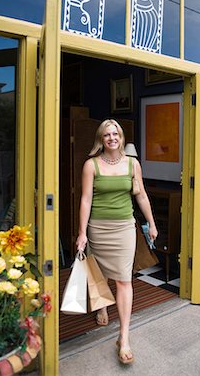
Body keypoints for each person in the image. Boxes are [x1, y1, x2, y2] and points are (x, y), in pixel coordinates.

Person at [76, 119, 158, 365]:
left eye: (116, 134)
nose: (112, 138)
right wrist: (82, 232)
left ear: (121, 138)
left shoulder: (132, 164)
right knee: (100, 275)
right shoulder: (91, 165)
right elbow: (86, 200)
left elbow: (141, 195)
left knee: (124, 279)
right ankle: (102, 307)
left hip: (124, 229)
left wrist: (151, 223)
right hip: (98, 229)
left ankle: (123, 338)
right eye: (107, 134)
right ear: (101, 139)